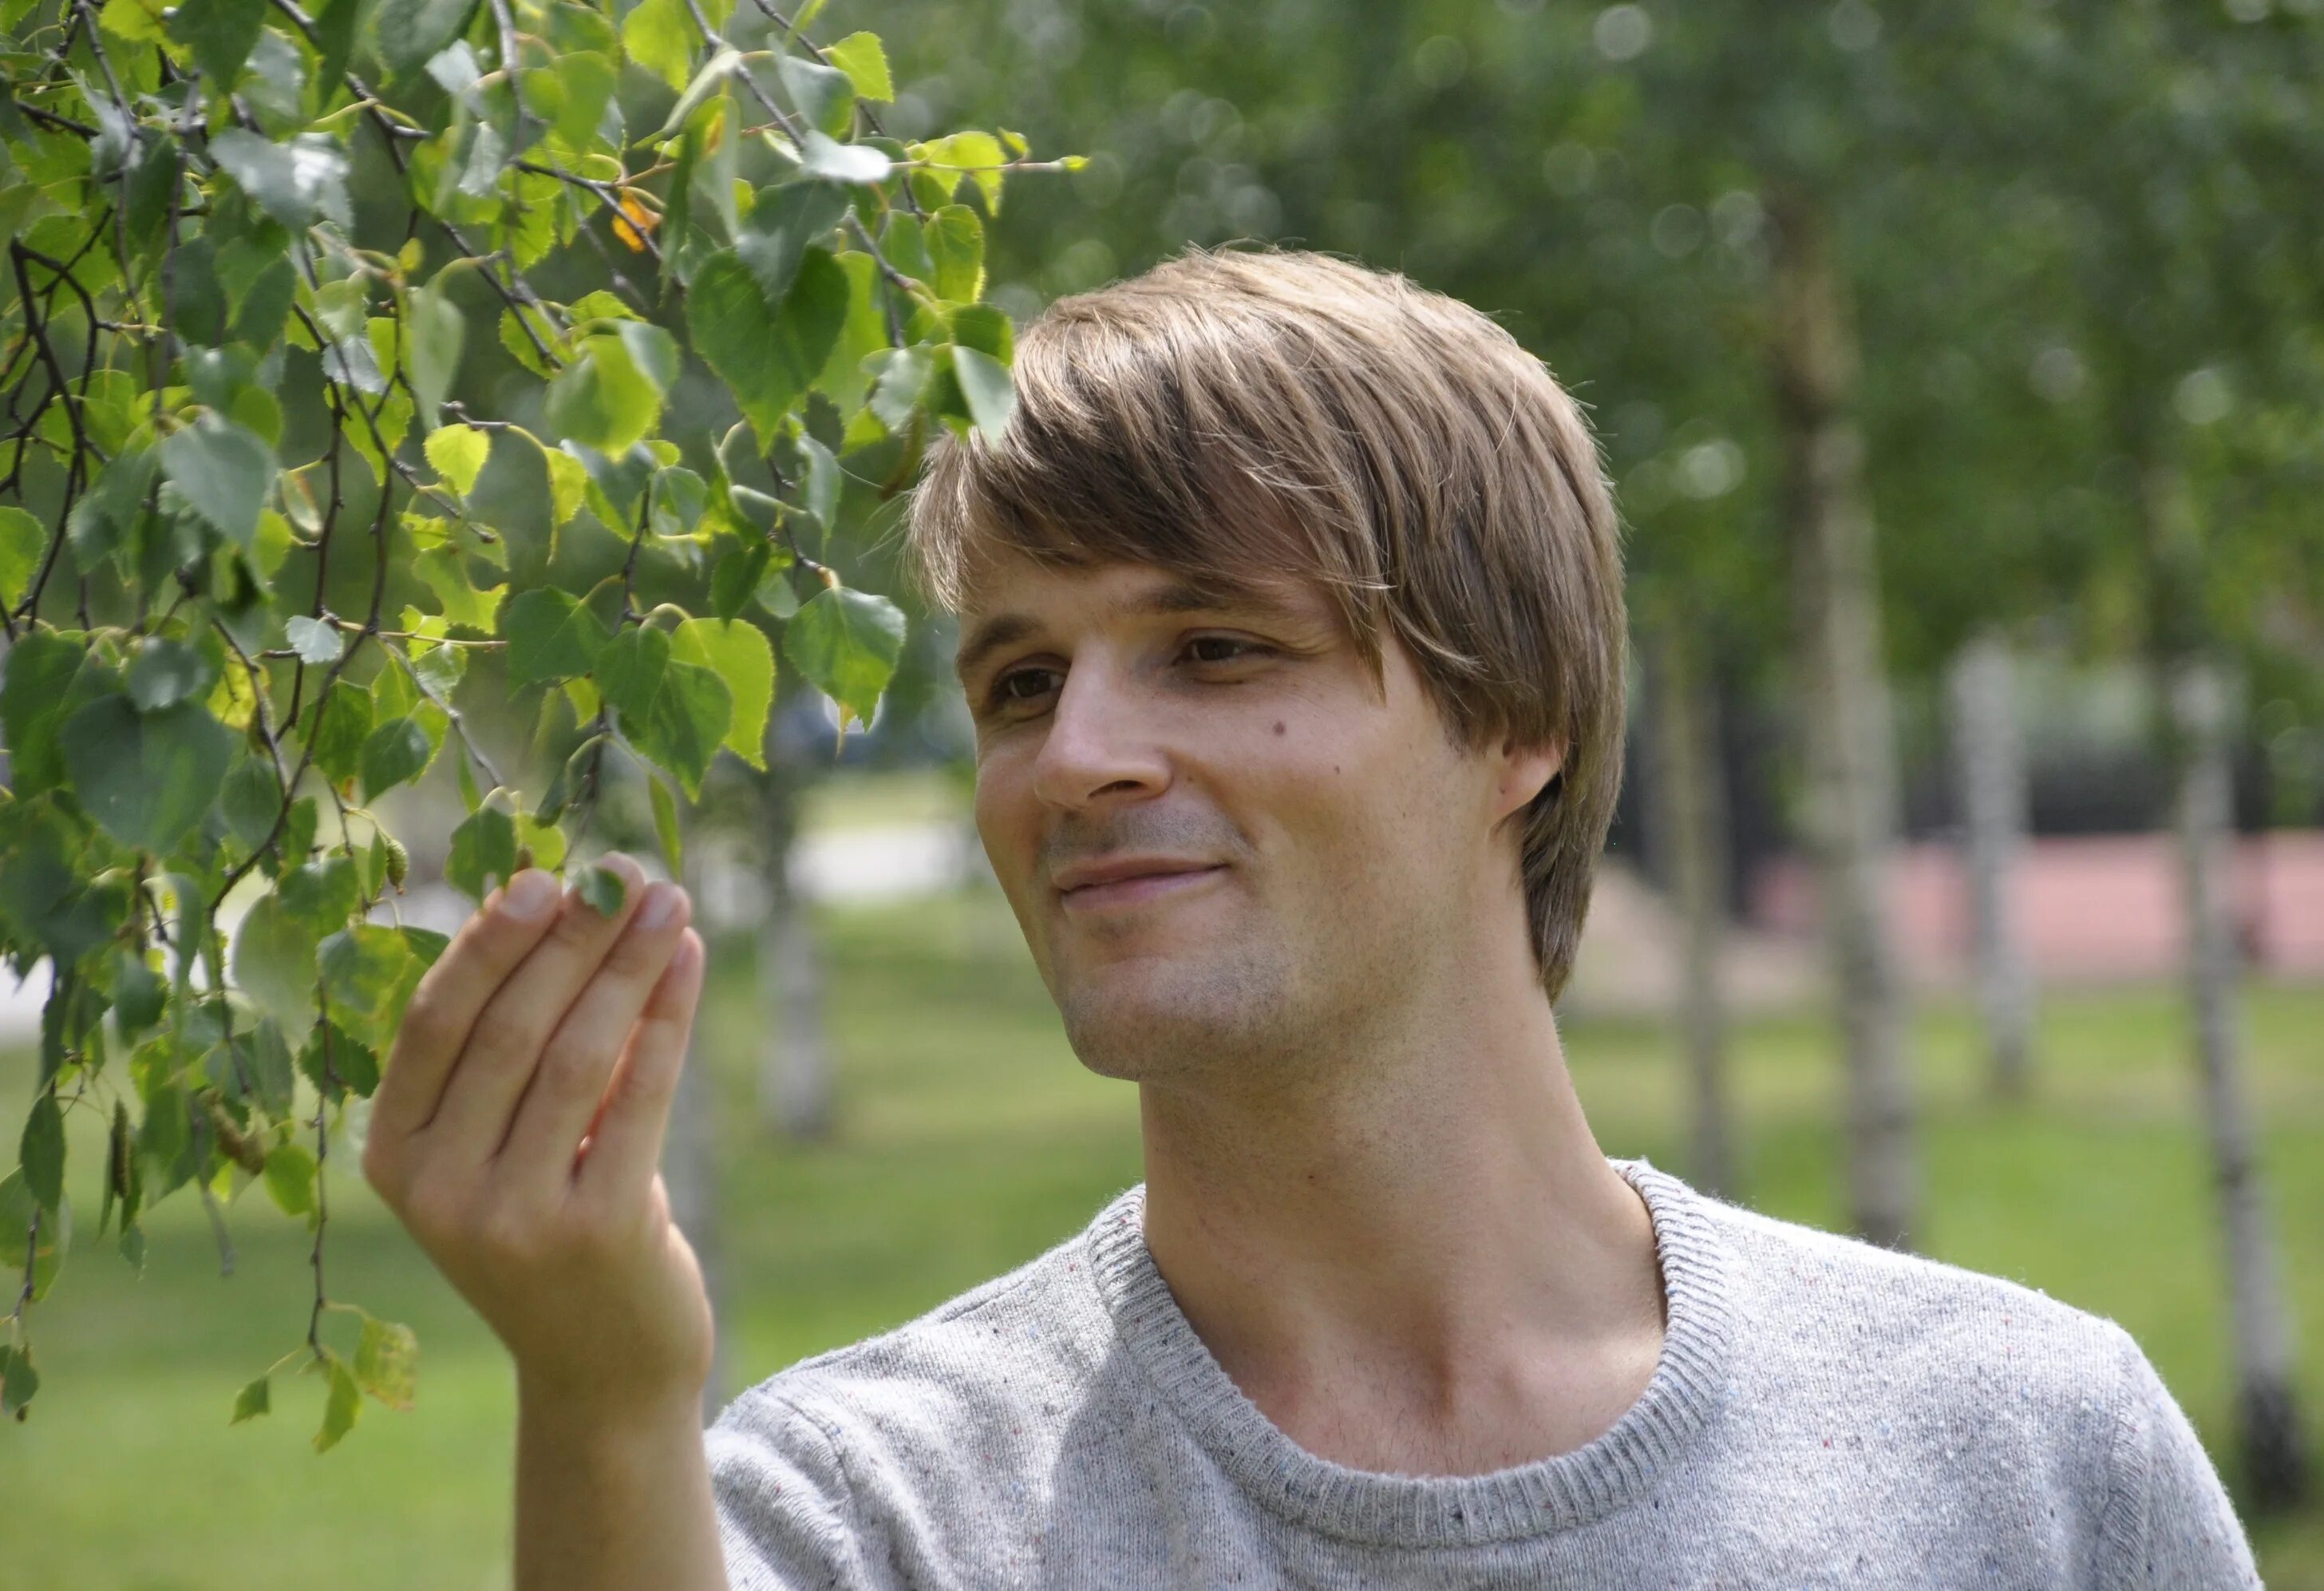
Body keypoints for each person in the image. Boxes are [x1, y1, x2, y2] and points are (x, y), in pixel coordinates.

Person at [362, 246, 2262, 1589]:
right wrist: (607, 1405)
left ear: (1516, 715)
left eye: (1213, 648)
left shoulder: (2019, 1448)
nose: (1078, 756)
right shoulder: (857, 1512)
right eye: (1020, 682)